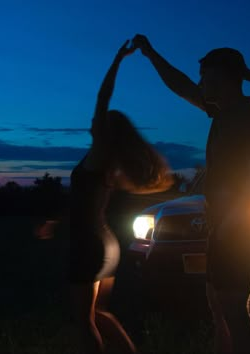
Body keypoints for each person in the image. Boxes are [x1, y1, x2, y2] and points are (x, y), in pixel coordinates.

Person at [132, 34, 250, 354]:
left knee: (235, 309)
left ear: (225, 77)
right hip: (223, 225)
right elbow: (181, 85)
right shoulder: (222, 113)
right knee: (218, 305)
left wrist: (231, 223)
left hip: (241, 225)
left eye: (206, 76)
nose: (201, 83)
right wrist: (150, 53)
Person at [68, 40, 173, 354]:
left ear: (105, 130)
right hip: (107, 244)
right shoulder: (109, 163)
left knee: (83, 321)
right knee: (99, 314)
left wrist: (117, 59)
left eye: (98, 121)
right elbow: (82, 198)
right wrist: (56, 218)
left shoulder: (101, 155)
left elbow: (103, 97)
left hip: (87, 244)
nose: (91, 121)